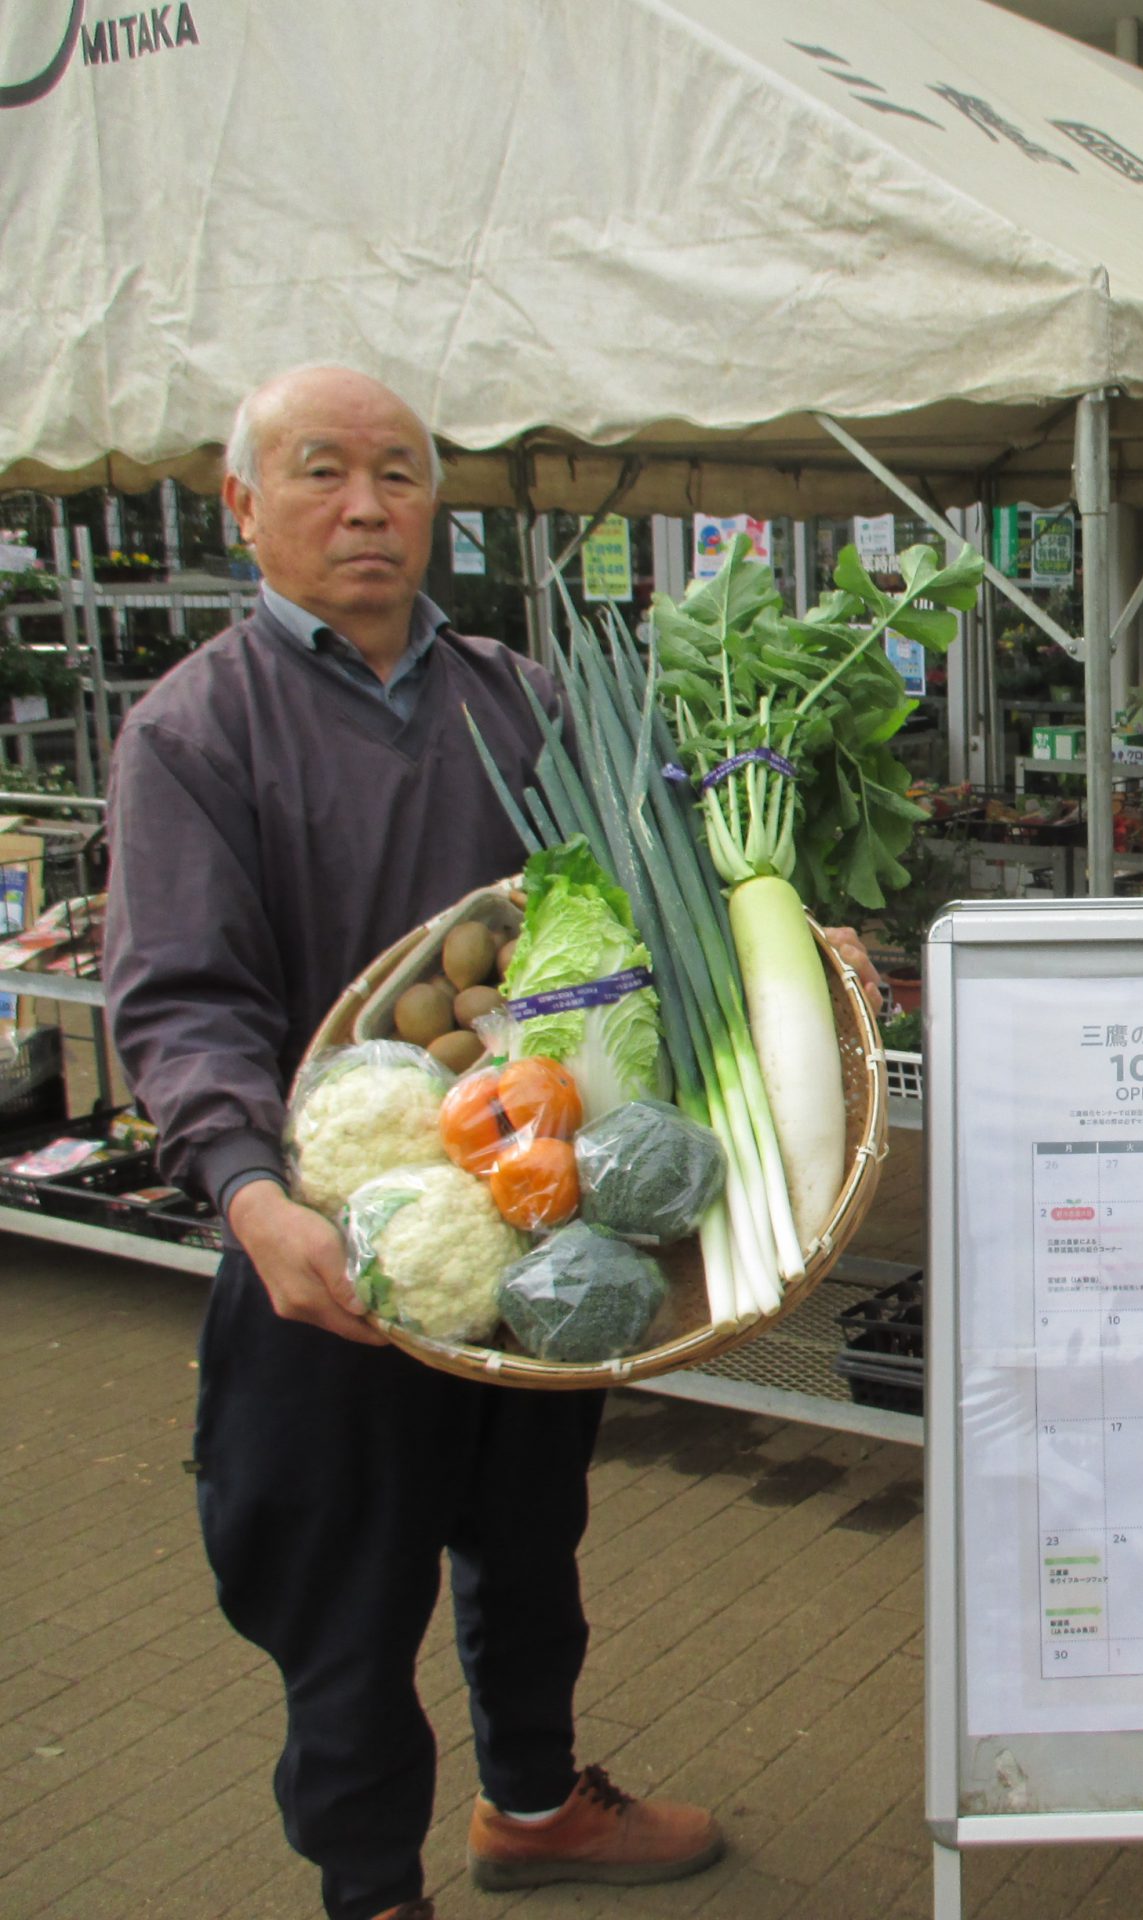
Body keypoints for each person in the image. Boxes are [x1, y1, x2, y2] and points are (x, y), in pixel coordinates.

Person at [104, 367, 753, 1920]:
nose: (367, 505)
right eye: (322, 473)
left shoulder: (524, 699)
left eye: (398, 472)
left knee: (532, 1540)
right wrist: (253, 1197)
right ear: (243, 505)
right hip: (331, 1249)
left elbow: (631, 926)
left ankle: (533, 1803)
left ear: (434, 503)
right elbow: (180, 1002)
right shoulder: (194, 731)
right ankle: (370, 1884)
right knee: (347, 1585)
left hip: (530, 1223)